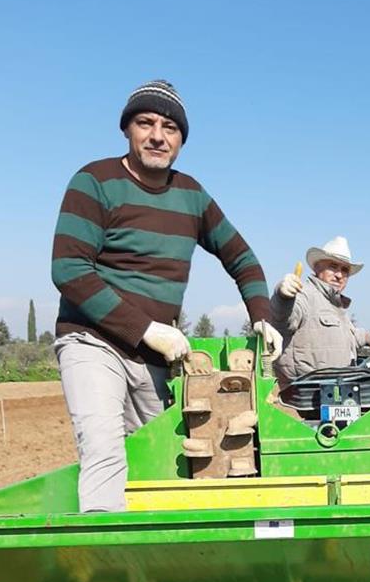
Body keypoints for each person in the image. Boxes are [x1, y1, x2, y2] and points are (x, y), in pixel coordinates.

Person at [52, 79, 281, 512]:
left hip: (156, 358)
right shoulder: (95, 181)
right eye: (146, 123)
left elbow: (242, 257)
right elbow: (69, 270)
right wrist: (145, 328)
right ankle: (106, 549)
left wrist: (261, 316)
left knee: (164, 459)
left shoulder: (191, 195)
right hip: (93, 341)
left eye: (170, 128)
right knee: (105, 451)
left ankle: (163, 551)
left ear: (181, 139)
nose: (158, 136)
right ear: (127, 129)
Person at [271, 236, 370, 382]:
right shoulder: (303, 294)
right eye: (333, 267)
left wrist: (369, 337)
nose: (339, 275)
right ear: (317, 267)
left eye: (344, 270)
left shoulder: (336, 306)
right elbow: (283, 319)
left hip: (338, 387)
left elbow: (346, 338)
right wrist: (283, 296)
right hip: (305, 390)